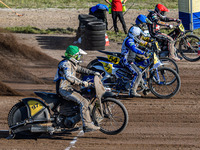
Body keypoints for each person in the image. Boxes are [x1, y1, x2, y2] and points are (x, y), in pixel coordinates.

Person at [54, 45, 100, 132]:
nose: (80, 57)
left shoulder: (71, 63)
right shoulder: (66, 64)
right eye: (78, 55)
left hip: (68, 89)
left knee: (84, 98)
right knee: (84, 101)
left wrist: (94, 72)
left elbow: (82, 70)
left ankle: (76, 118)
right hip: (64, 90)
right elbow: (69, 77)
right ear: (73, 56)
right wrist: (82, 82)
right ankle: (87, 125)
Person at [121, 19, 152, 97]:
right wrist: (144, 53)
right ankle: (132, 91)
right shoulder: (129, 40)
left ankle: (144, 87)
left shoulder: (132, 40)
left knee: (140, 70)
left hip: (131, 59)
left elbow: (139, 46)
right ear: (135, 35)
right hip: (127, 61)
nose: (140, 37)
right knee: (138, 73)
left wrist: (147, 49)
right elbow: (134, 49)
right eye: (139, 36)